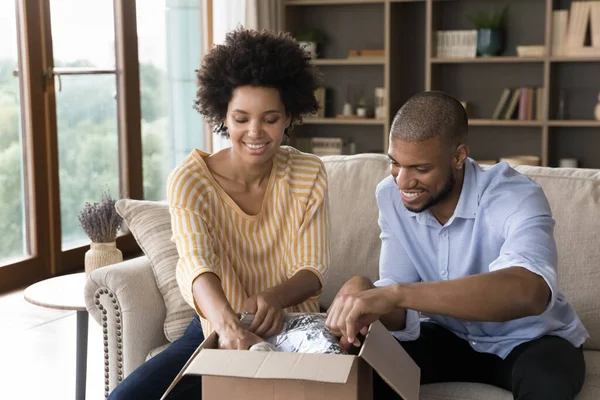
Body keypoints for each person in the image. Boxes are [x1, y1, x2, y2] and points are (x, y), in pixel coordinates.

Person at [109, 28, 330, 399]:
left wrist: (274, 298)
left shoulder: (309, 172)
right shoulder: (190, 181)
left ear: (289, 115)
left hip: (295, 325)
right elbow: (197, 265)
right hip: (216, 324)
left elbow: (313, 270)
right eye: (241, 118)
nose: (255, 132)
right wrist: (228, 327)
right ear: (222, 116)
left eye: (270, 118)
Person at [326, 91, 589, 400]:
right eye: (395, 163)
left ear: (458, 156)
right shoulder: (390, 196)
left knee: (548, 387)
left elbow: (529, 292)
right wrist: (365, 293)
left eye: (421, 169)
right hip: (448, 336)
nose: (402, 182)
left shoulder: (515, 195)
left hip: (532, 340)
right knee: (359, 373)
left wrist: (396, 294)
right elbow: (397, 305)